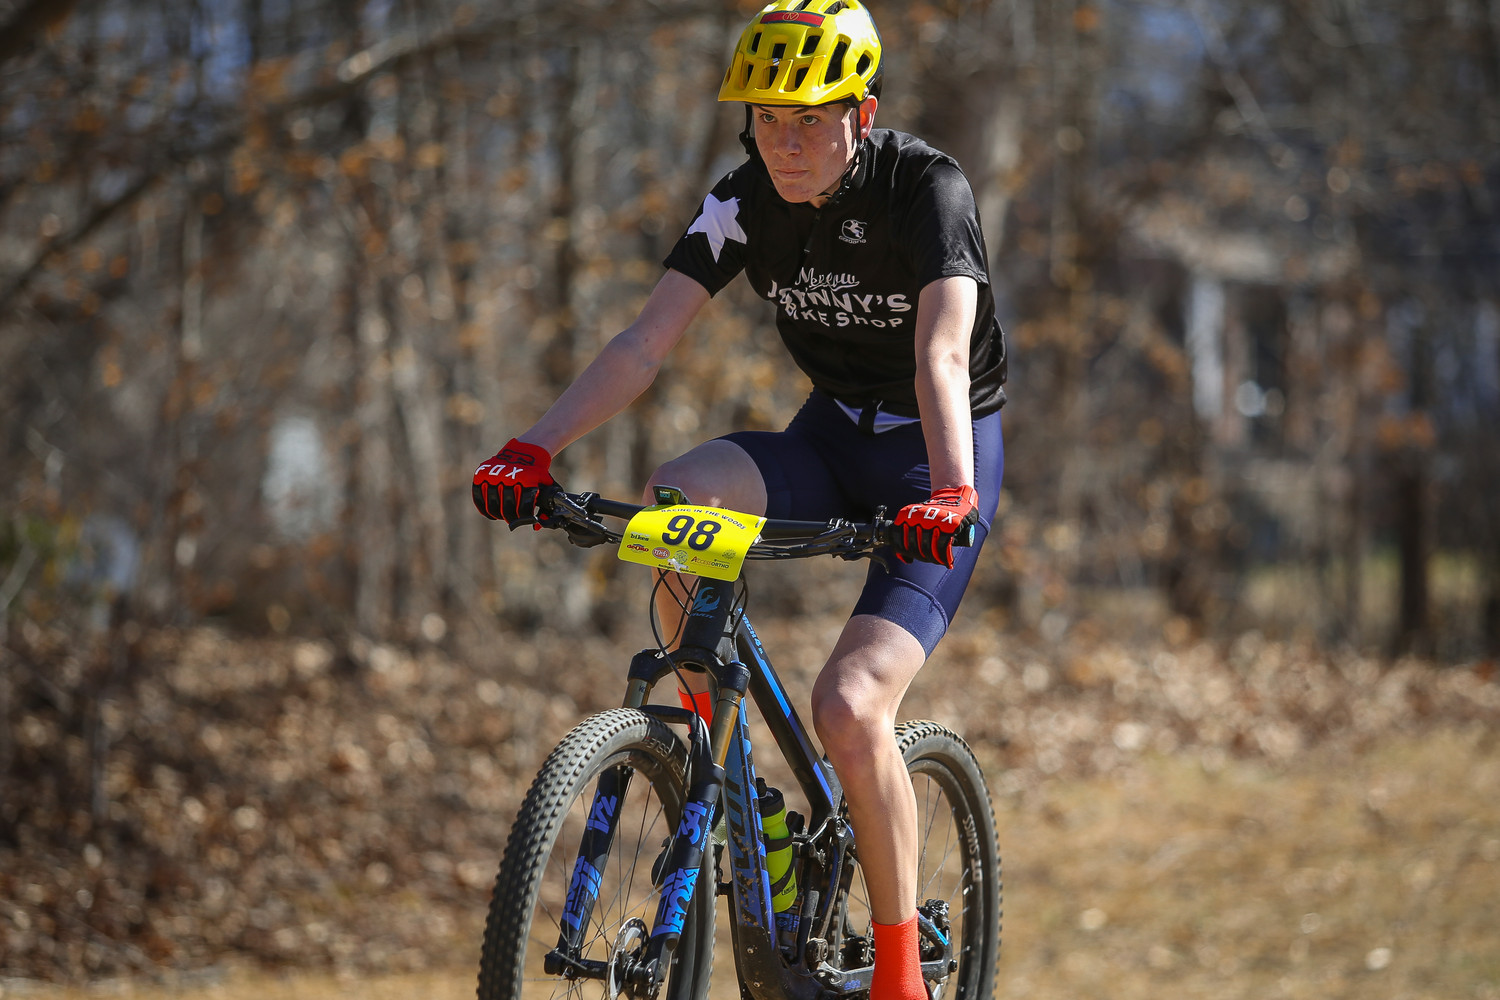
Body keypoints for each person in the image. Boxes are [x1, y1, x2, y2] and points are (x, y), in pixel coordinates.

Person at [473, 3, 1006, 998]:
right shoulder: (743, 200)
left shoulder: (925, 188)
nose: (785, 144)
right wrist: (533, 446)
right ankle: (739, 793)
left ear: (862, 113)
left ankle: (899, 973)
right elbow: (644, 343)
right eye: (766, 119)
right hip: (828, 437)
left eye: (809, 120)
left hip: (935, 457)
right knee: (671, 498)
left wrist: (951, 492)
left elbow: (941, 352)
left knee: (850, 705)